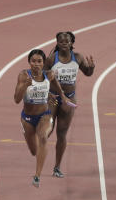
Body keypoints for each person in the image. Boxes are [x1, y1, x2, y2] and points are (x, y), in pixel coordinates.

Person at [13, 49, 74, 188]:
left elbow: (55, 85)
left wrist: (61, 96)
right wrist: (24, 86)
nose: (36, 64)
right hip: (27, 118)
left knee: (43, 138)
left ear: (43, 63)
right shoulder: (23, 76)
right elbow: (16, 99)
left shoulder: (49, 75)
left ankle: (37, 176)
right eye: (33, 61)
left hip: (44, 115)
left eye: (39, 61)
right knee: (34, 151)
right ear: (29, 62)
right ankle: (33, 145)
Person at [44, 31, 95, 178]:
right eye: (61, 41)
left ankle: (57, 167)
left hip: (70, 99)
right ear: (57, 43)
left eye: (67, 41)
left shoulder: (77, 58)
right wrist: (47, 94)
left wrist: (91, 67)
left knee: (62, 134)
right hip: (53, 98)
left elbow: (88, 73)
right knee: (47, 130)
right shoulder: (51, 59)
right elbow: (42, 78)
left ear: (72, 43)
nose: (64, 43)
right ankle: (39, 155)